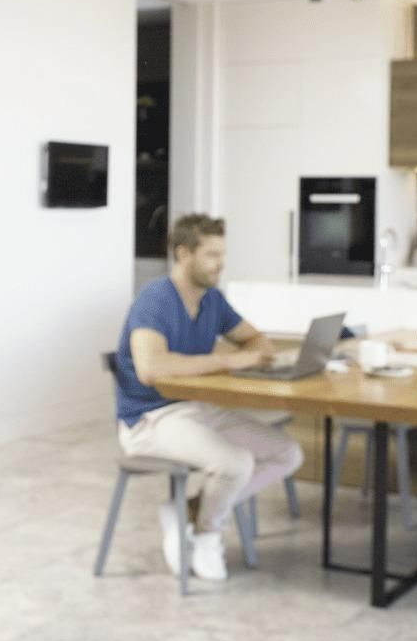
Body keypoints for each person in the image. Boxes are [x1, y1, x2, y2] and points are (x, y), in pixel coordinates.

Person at [113, 214, 304, 581]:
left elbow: (257, 341)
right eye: (212, 255)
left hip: (195, 408)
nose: (221, 263)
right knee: (234, 464)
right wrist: (228, 359)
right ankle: (207, 535)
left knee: (287, 453)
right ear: (184, 254)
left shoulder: (212, 300)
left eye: (222, 253)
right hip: (150, 420)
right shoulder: (155, 299)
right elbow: (150, 369)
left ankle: (188, 511)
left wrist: (252, 352)